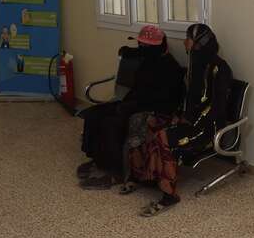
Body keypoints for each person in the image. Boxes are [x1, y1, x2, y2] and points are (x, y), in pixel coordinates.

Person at [127, 24, 232, 217]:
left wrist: (187, 120)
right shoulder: (195, 66)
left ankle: (169, 194)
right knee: (143, 123)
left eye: (188, 39)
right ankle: (143, 177)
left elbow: (216, 108)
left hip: (205, 127)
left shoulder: (219, 69)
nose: (184, 42)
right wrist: (178, 115)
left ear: (199, 43)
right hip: (187, 120)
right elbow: (187, 100)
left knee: (163, 137)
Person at [78, 25, 185, 190]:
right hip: (132, 102)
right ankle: (98, 161)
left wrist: (131, 107)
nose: (141, 48)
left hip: (151, 109)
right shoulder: (148, 59)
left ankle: (115, 173)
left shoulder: (171, 69)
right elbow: (131, 55)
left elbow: (163, 101)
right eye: (140, 44)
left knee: (112, 124)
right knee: (93, 114)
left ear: (156, 47)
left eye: (145, 45)